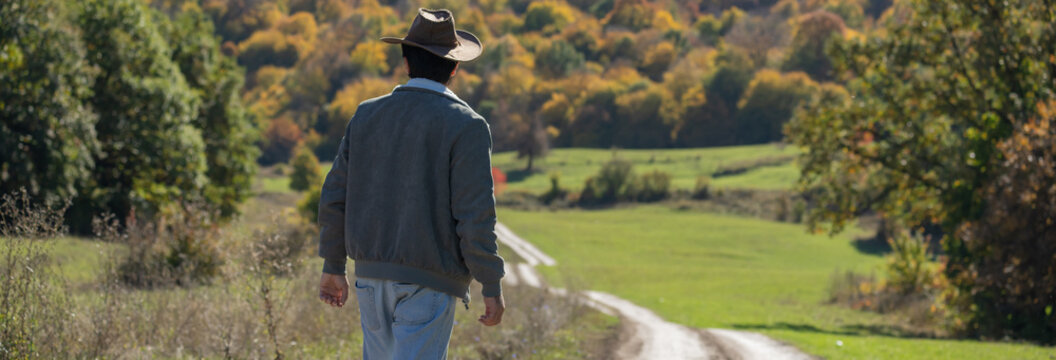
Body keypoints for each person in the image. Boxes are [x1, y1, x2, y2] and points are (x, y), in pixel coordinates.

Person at [315, 8, 506, 360]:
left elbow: (334, 197)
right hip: (430, 282)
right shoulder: (467, 125)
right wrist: (490, 283)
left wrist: (332, 265)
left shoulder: (366, 115)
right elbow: (474, 214)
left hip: (370, 280)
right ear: (454, 68)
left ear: (405, 61)